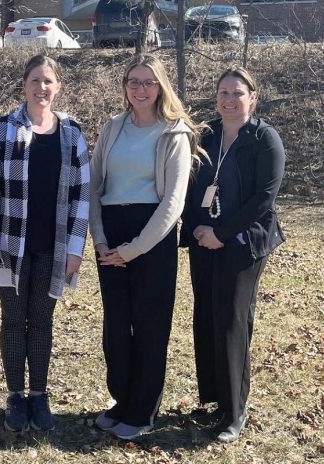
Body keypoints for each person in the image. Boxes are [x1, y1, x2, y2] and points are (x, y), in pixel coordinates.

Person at [89, 55, 206, 440]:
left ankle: (143, 412)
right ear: (125, 86)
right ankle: (122, 401)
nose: (140, 89)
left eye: (148, 83)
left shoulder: (174, 133)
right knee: (117, 327)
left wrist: (134, 249)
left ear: (161, 87)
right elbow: (93, 188)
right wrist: (102, 241)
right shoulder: (112, 129)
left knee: (151, 326)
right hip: (111, 235)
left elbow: (173, 203)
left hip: (152, 238)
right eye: (133, 82)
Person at [0, 54, 90, 432]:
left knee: (41, 322)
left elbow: (82, 196)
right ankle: (15, 397)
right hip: (9, 246)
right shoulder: (2, 131)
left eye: (48, 81)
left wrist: (76, 247)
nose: (41, 88)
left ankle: (39, 396)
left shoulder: (72, 134)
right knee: (12, 321)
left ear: (58, 87)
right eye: (34, 81)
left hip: (53, 246)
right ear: (24, 84)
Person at [180, 66, 285, 443]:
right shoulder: (205, 134)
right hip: (202, 239)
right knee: (205, 315)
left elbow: (263, 199)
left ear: (252, 98)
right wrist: (195, 227)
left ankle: (234, 411)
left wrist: (222, 234)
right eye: (223, 92)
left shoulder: (263, 139)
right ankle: (213, 398)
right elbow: (188, 184)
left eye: (237, 93)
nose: (228, 99)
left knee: (231, 320)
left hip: (243, 243)